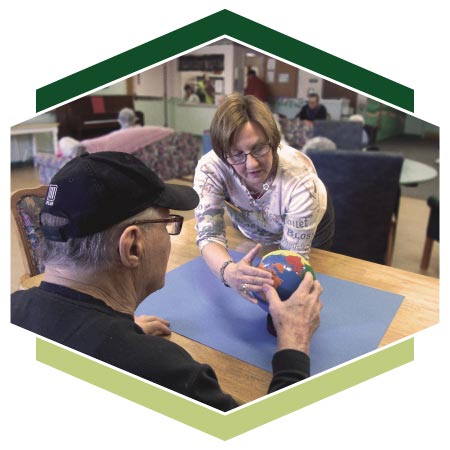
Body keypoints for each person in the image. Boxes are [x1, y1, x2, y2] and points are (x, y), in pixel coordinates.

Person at [11, 151, 323, 411]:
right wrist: (293, 347)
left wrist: (118, 330)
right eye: (168, 222)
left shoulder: (13, 308)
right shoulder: (166, 375)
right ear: (133, 246)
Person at [194, 93, 334, 303]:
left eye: (258, 148)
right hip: (257, 227)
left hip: (308, 225)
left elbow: (291, 264)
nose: (251, 164)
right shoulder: (210, 169)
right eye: (237, 153)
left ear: (273, 140)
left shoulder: (302, 184)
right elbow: (209, 235)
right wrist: (228, 272)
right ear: (223, 153)